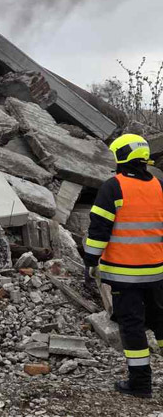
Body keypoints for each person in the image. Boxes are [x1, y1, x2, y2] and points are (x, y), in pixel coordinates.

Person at [84, 133, 163, 398]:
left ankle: (140, 384)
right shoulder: (159, 185)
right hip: (156, 272)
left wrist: (90, 261)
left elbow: (98, 230)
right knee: (160, 322)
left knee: (132, 326)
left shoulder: (113, 187)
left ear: (120, 156)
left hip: (124, 275)